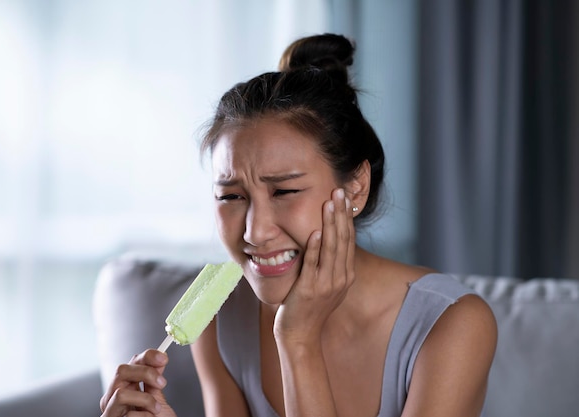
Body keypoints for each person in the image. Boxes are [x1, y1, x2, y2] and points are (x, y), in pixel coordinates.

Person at [99, 33, 497, 417]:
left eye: (285, 191)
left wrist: (298, 341)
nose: (255, 233)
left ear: (355, 189)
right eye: (231, 197)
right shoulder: (220, 323)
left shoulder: (452, 326)